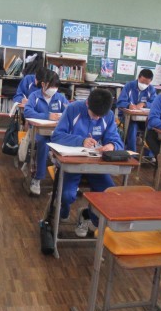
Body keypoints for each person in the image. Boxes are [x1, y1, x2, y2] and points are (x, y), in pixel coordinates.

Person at [50, 88, 123, 237]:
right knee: (67, 195)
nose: (97, 118)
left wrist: (112, 145)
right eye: (94, 115)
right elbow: (57, 136)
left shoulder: (108, 115)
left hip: (95, 164)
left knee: (108, 193)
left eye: (100, 116)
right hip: (72, 163)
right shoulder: (73, 109)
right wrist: (81, 141)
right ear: (87, 103)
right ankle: (63, 208)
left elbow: (116, 140)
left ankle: (87, 216)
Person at [24, 71, 68, 196]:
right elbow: (27, 112)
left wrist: (62, 117)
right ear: (43, 84)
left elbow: (69, 112)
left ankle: (65, 180)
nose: (54, 89)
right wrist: (47, 116)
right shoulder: (34, 96)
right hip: (38, 133)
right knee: (43, 144)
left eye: (56, 87)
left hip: (56, 133)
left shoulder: (60, 98)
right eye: (51, 86)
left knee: (66, 145)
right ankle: (37, 179)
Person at [116, 68, 156, 152]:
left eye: (147, 83)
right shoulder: (129, 86)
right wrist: (128, 105)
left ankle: (149, 154)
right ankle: (132, 152)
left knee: (152, 129)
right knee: (133, 126)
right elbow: (120, 102)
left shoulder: (151, 89)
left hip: (144, 119)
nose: (144, 85)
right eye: (142, 82)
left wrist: (144, 104)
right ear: (138, 77)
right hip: (127, 117)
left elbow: (155, 104)